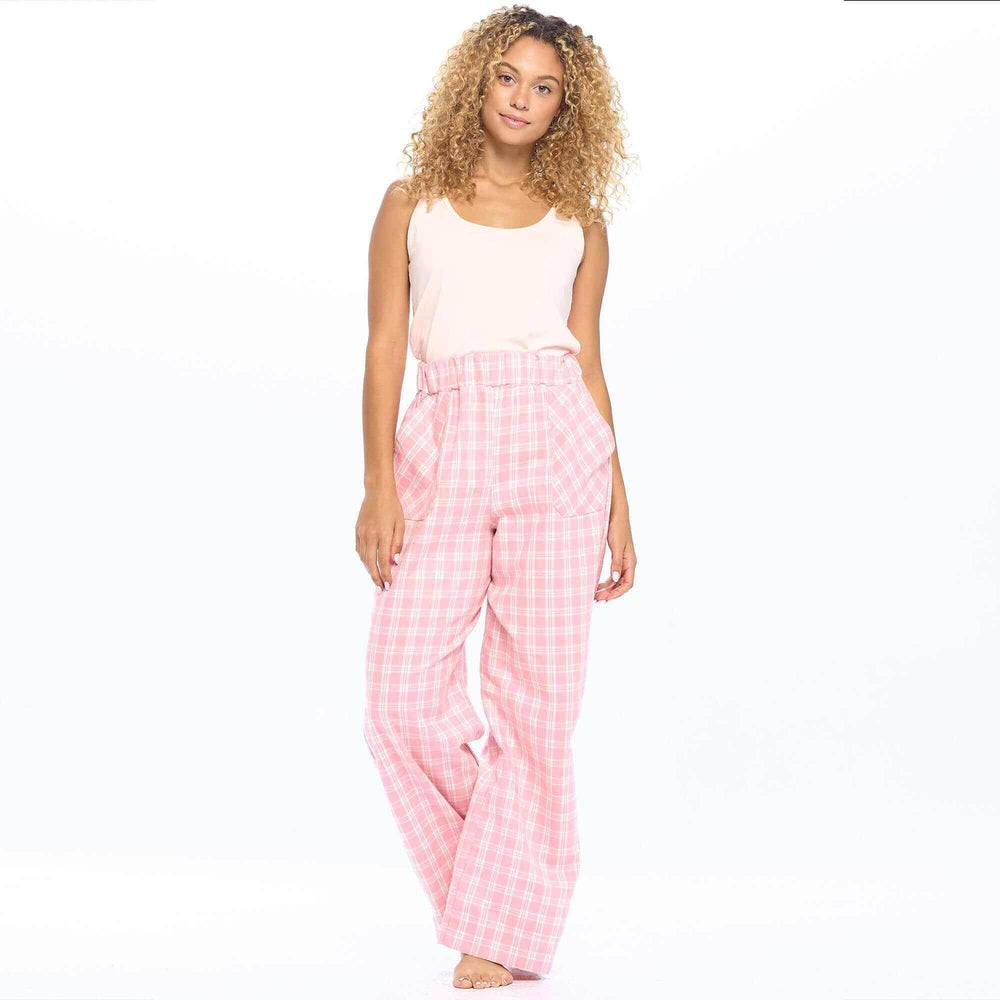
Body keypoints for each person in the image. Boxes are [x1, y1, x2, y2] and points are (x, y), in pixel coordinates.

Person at [356, 6, 637, 989]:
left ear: (567, 106)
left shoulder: (579, 220)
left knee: (537, 705)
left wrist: (621, 502)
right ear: (476, 80)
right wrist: (377, 484)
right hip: (444, 435)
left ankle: (498, 929)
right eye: (507, 76)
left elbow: (588, 363)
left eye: (544, 86)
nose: (521, 98)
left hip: (559, 445)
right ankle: (505, 896)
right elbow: (384, 347)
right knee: (399, 700)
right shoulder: (413, 202)